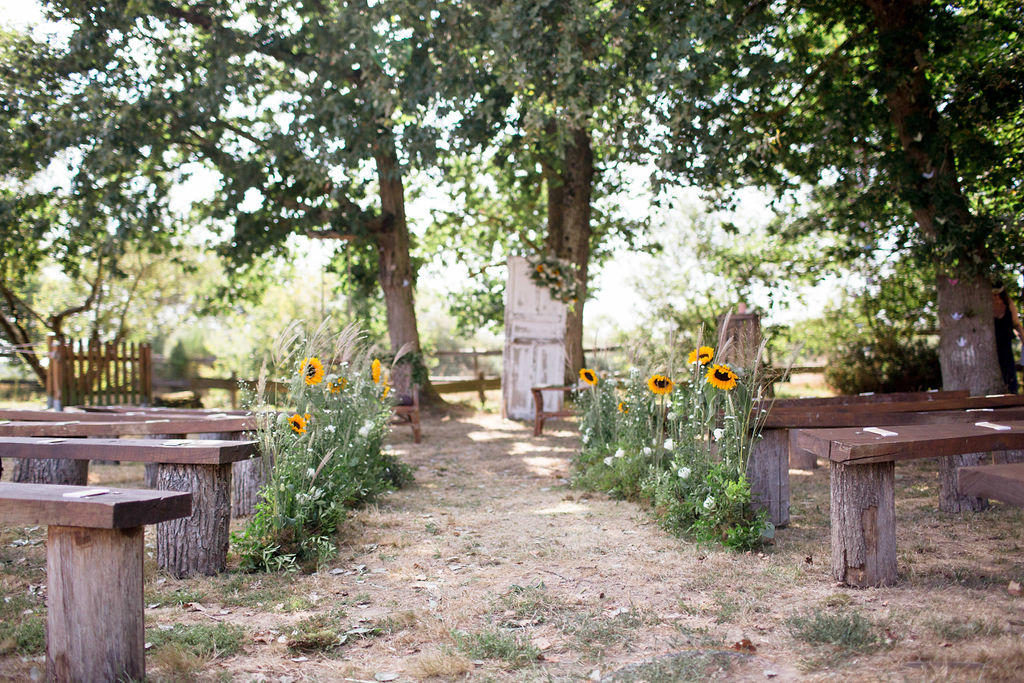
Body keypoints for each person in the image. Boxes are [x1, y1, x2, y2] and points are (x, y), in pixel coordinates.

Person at [993, 285, 1024, 393]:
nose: (995, 297)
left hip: (1006, 343)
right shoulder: (986, 305)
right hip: (992, 346)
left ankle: (1012, 392)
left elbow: (1016, 324)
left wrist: (1022, 339)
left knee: (1009, 371)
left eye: (997, 294)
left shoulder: (1008, 304)